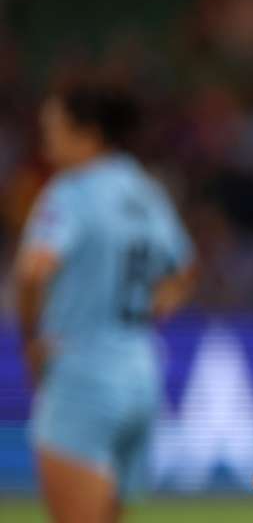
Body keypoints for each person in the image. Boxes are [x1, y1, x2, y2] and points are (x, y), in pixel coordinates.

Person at [15, 80, 195, 523]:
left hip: (81, 374)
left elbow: (33, 270)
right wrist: (144, 309)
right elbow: (184, 269)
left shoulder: (69, 192)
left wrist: (32, 340)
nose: (46, 139)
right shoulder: (143, 189)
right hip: (139, 371)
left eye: (54, 128)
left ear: (88, 133)